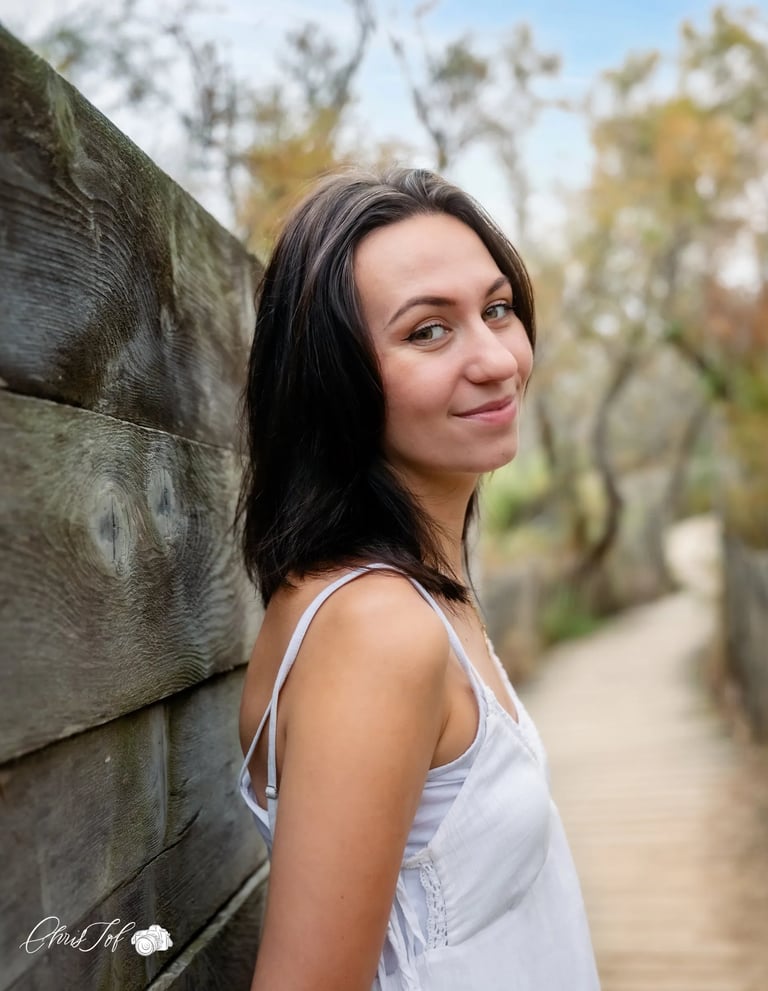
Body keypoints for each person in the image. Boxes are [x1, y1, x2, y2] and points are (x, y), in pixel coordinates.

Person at [235, 167, 600, 991]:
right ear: (336, 377)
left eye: (497, 309)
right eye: (429, 331)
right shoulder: (376, 628)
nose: (496, 359)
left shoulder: (419, 592)